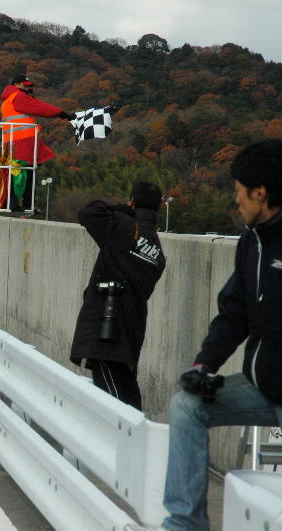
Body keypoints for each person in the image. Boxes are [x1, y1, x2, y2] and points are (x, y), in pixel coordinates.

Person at [126, 140, 282, 531]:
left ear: (260, 193)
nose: (236, 199)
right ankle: (185, 524)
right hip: (265, 387)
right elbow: (234, 314)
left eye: (239, 191)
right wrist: (204, 366)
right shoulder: (252, 242)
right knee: (188, 406)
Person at [69, 182, 166, 411]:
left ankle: (125, 433)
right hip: (132, 330)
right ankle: (139, 431)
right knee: (128, 389)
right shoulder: (157, 251)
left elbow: (88, 212)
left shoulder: (121, 224)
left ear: (132, 201)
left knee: (113, 405)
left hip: (106, 329)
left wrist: (121, 209)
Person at [0, 73, 72, 211]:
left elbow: (33, 106)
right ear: (16, 84)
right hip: (21, 141)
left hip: (16, 140)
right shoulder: (18, 96)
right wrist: (60, 112)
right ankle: (18, 204)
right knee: (22, 173)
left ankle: (20, 204)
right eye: (25, 85)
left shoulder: (10, 98)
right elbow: (38, 107)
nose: (27, 88)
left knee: (20, 172)